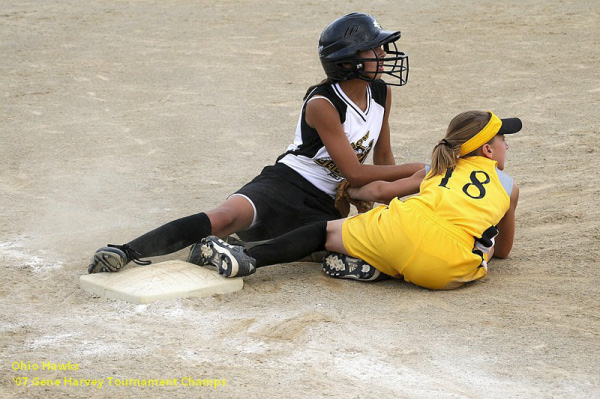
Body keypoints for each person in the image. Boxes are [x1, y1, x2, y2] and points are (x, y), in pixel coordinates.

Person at [88, 12, 424, 274]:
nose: (383, 53)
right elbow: (355, 172)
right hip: (285, 184)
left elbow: (383, 157)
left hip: (325, 202)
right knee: (225, 215)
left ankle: (227, 249)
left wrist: (389, 201)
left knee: (338, 244)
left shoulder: (380, 92)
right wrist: (425, 169)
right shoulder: (323, 103)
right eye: (374, 48)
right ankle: (126, 251)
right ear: (348, 60)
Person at [198, 110, 521, 290]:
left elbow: (379, 192)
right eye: (503, 138)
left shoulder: (437, 169)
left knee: (326, 231)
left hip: (400, 225)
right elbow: (504, 252)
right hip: (447, 271)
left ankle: (251, 257)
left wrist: (351, 193)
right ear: (487, 151)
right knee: (485, 244)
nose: (507, 144)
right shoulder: (510, 188)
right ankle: (383, 270)